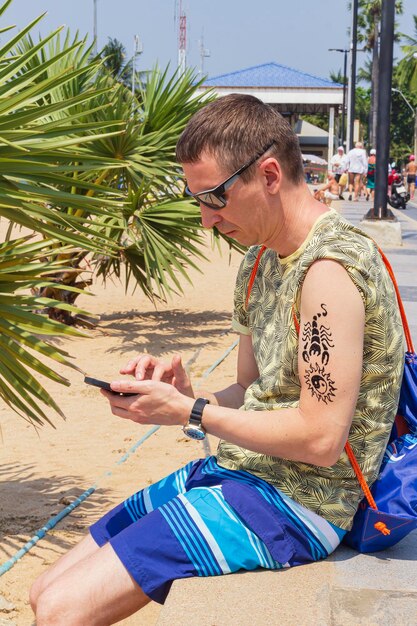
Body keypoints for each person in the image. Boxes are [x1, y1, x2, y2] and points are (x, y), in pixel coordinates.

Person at [30, 94, 405, 626]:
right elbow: (255, 392)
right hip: (241, 473)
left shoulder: (330, 270)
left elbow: (321, 439)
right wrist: (186, 396)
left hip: (305, 504)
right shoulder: (258, 260)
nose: (206, 221)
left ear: (269, 174)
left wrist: (192, 414)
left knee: (63, 610)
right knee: (44, 589)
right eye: (197, 200)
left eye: (215, 198)